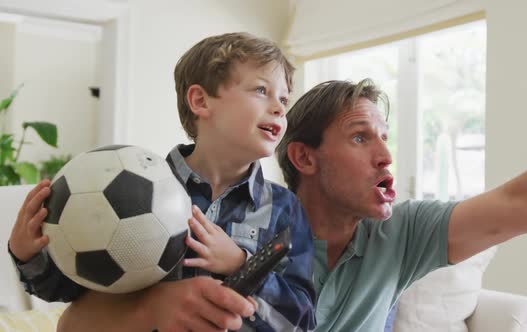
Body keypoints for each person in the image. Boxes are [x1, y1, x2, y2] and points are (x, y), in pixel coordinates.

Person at [7, 32, 316, 332]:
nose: (279, 107)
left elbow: (301, 321)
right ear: (200, 101)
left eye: (284, 99)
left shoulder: (285, 209)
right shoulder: (130, 192)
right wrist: (28, 255)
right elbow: (75, 291)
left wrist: (240, 263)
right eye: (261, 90)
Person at [275, 78, 527, 331]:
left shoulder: (401, 231)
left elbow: (518, 201)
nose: (386, 156)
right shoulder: (250, 233)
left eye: (385, 137)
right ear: (305, 157)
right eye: (360, 138)